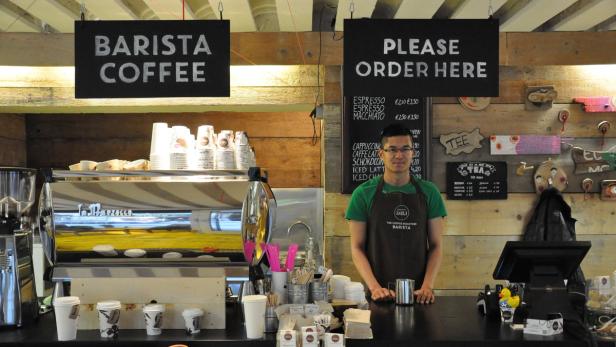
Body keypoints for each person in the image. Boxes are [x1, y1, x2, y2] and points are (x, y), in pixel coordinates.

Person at [346, 123, 447, 304]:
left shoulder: (430, 192)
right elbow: (357, 247)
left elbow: (436, 245)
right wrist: (375, 287)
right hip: (377, 295)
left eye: (405, 149)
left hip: (419, 296)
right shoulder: (362, 194)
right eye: (392, 150)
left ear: (413, 153)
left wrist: (427, 286)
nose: (399, 155)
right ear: (381, 154)